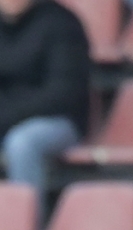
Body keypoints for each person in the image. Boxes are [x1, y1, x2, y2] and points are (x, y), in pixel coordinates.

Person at [0, 0, 89, 211]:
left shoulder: (61, 23)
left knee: (22, 143)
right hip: (6, 118)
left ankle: (25, 228)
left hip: (56, 120)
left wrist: (7, 118)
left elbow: (63, 94)